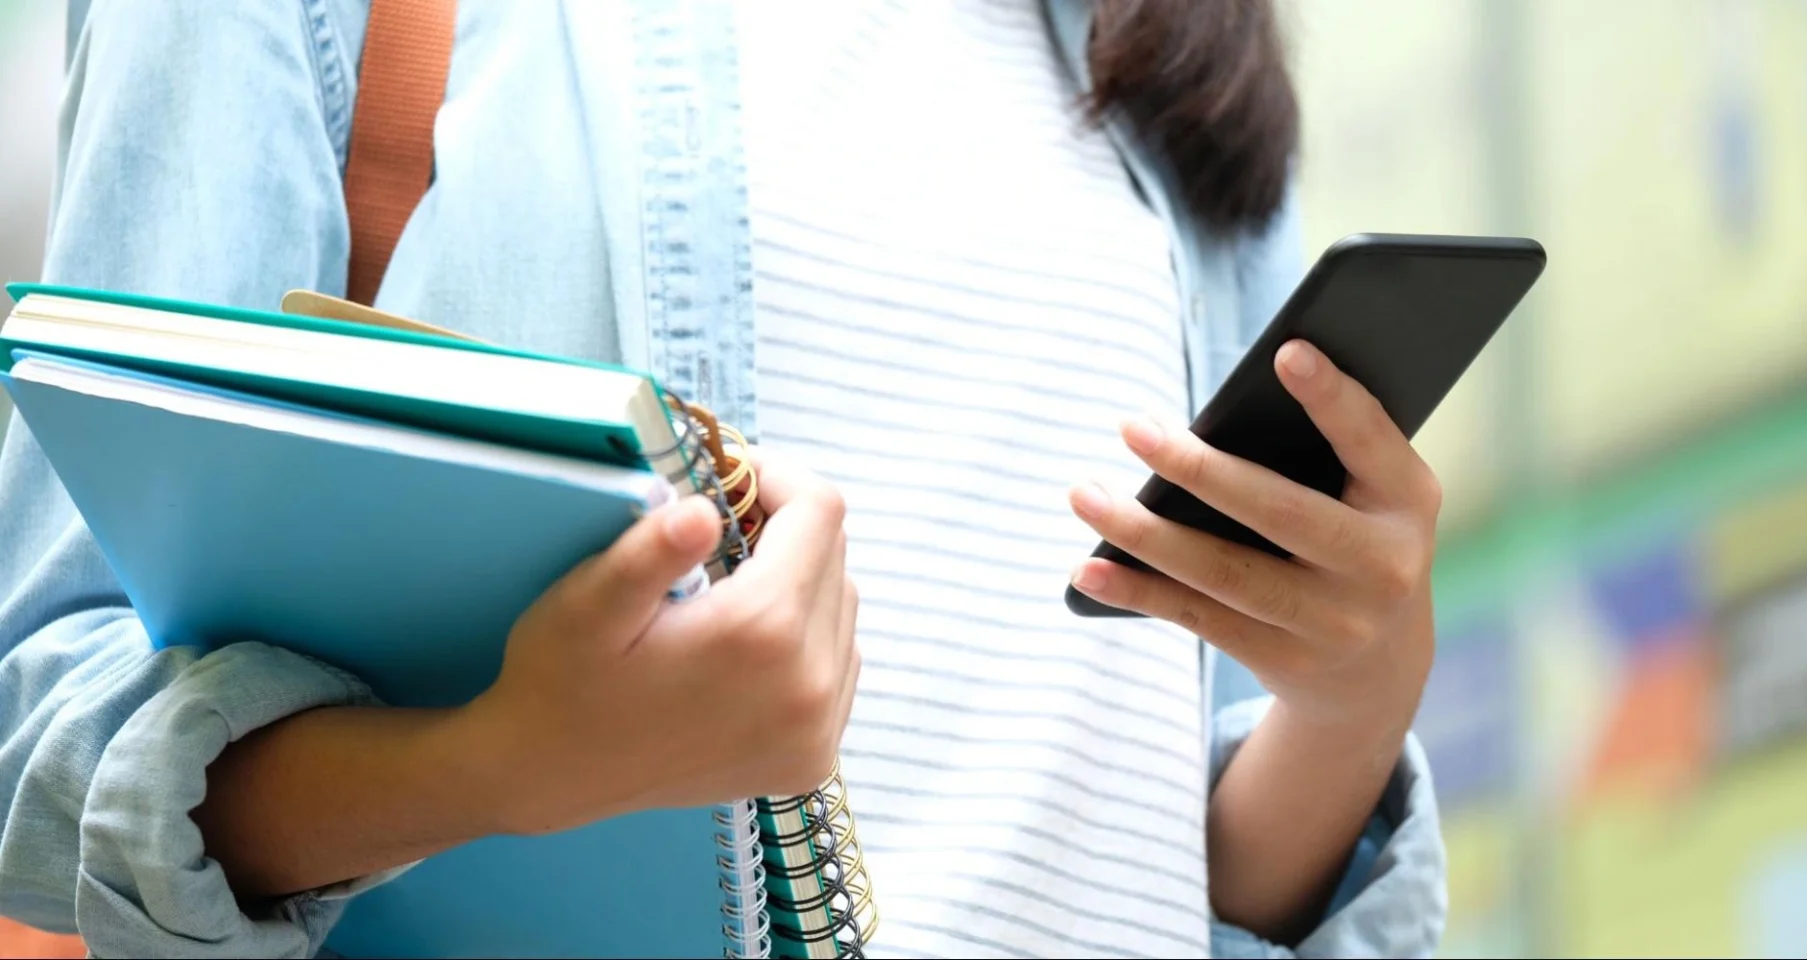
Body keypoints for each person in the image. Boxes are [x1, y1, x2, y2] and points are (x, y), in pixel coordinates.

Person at [0, 1, 1447, 957]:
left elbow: (1179, 854)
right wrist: (496, 771)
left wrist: (1351, 692)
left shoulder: (1159, 38)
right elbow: (45, 712)